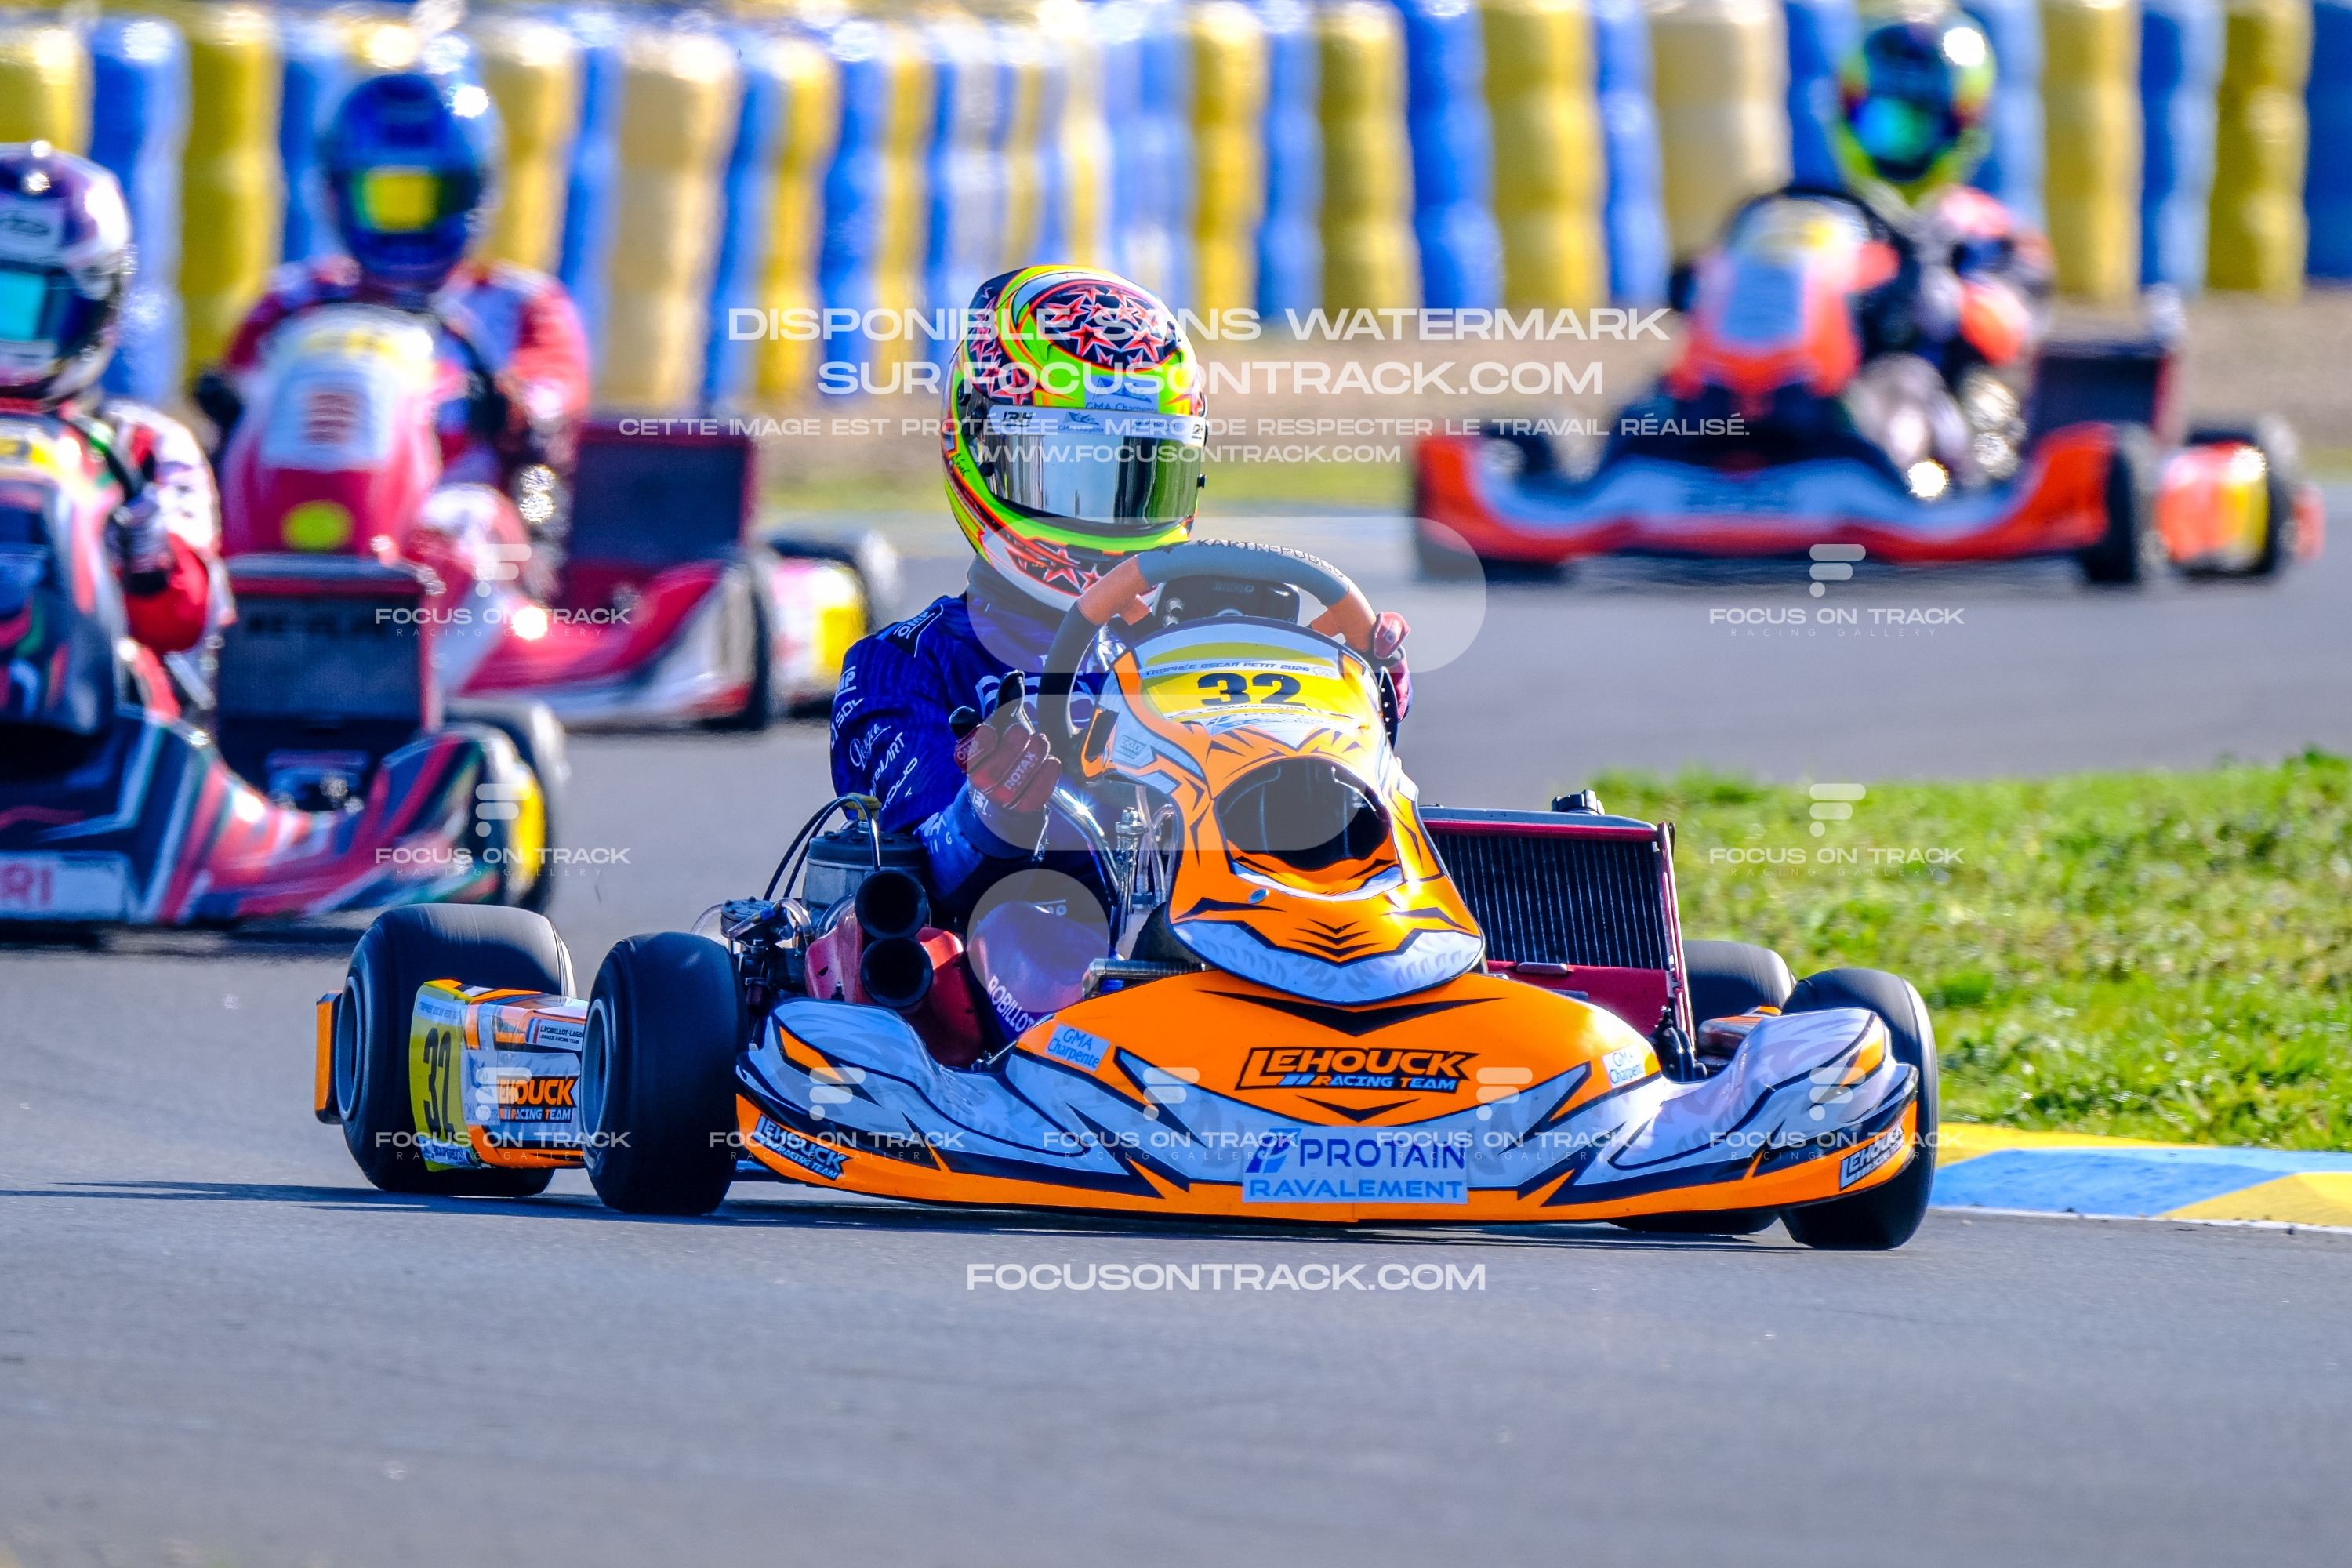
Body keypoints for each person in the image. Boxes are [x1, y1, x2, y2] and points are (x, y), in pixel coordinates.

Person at [827, 264, 1412, 1058]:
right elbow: (915, 866)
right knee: (1029, 913)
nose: (1108, 518)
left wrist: (1361, 690)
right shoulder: (903, 666)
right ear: (983, 452)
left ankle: (1391, 999)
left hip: (1239, 910)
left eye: (1141, 478)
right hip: (1040, 945)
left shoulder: (1204, 636)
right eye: (1076, 475)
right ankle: (1104, 1054)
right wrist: (990, 812)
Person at [1639, 2, 2052, 488]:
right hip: (1800, 391)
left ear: (1959, 127)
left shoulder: (1984, 232)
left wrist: (1945, 301)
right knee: (1658, 400)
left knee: (1900, 386)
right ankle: (1673, 451)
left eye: (1914, 126)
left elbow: (2009, 323)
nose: (1897, 142)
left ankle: (1889, 484)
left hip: (1941, 411)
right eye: (1883, 122)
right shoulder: (1820, 222)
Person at [209, 71, 588, 528]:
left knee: (505, 498)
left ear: (471, 195)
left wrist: (496, 403)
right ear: (340, 197)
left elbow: (550, 404)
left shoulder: (523, 306)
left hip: (456, 520)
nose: (409, 225)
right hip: (299, 518)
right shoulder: (293, 303)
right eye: (386, 199)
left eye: (429, 199)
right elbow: (235, 405)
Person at [0, 143, 217, 728]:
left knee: (141, 671)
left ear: (94, 305)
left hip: (91, 727)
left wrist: (146, 552)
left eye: (18, 303)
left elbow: (188, 625)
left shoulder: (140, 447)